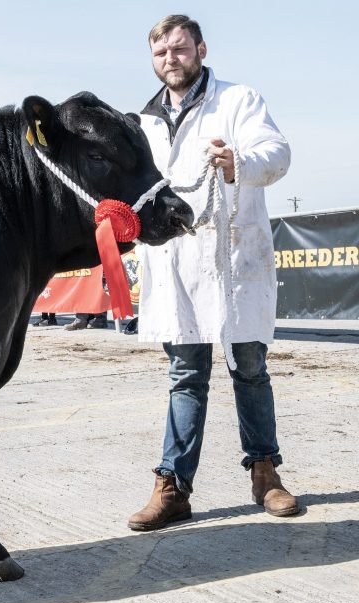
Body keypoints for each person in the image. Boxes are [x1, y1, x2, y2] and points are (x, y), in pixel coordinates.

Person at [129, 15, 296, 531]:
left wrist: (236, 162)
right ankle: (173, 487)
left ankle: (265, 473)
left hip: (232, 256)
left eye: (179, 50)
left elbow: (278, 153)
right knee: (185, 377)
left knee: (249, 369)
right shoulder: (143, 122)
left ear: (201, 49)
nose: (170, 60)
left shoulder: (238, 100)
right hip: (176, 264)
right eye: (161, 54)